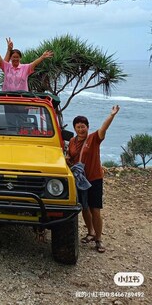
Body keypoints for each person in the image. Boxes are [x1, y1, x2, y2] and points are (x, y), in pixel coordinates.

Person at [66, 105, 121, 253]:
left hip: (94, 178)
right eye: (78, 127)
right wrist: (68, 159)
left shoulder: (94, 138)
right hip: (80, 179)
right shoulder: (72, 141)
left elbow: (104, 128)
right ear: (74, 128)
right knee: (84, 207)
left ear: (87, 127)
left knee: (95, 209)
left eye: (83, 126)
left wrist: (112, 115)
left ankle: (98, 239)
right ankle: (90, 232)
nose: (80, 129)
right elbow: (71, 156)